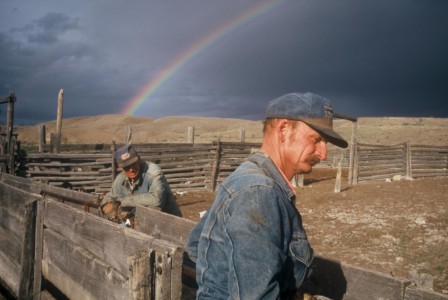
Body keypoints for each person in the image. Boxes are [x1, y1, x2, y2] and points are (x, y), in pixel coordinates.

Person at [187, 92, 348, 299]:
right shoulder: (259, 192)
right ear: (283, 129)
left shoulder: (247, 175)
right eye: (316, 140)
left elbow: (196, 245)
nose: (324, 154)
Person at [100, 144, 182, 223]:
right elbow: (111, 195)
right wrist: (105, 205)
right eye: (127, 167)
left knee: (152, 208)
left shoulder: (153, 173)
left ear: (139, 159)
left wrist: (124, 201)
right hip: (140, 224)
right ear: (121, 168)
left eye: (133, 164)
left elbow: (157, 199)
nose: (131, 169)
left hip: (168, 222)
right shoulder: (120, 178)